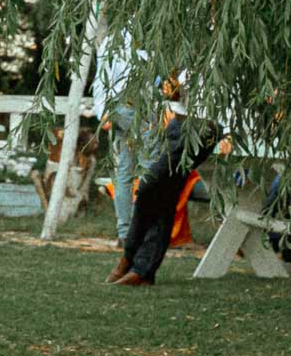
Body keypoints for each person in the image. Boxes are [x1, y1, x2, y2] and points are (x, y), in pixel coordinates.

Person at [109, 73, 220, 287]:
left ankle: (132, 260)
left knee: (150, 186)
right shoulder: (184, 59)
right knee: (163, 196)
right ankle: (141, 269)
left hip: (203, 127)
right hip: (178, 123)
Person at [92, 26, 142, 247]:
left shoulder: (116, 38)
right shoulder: (121, 39)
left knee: (125, 170)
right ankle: (137, 230)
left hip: (127, 105)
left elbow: (101, 78)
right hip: (131, 104)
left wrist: (102, 110)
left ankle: (126, 231)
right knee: (148, 167)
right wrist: (102, 110)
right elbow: (103, 77)